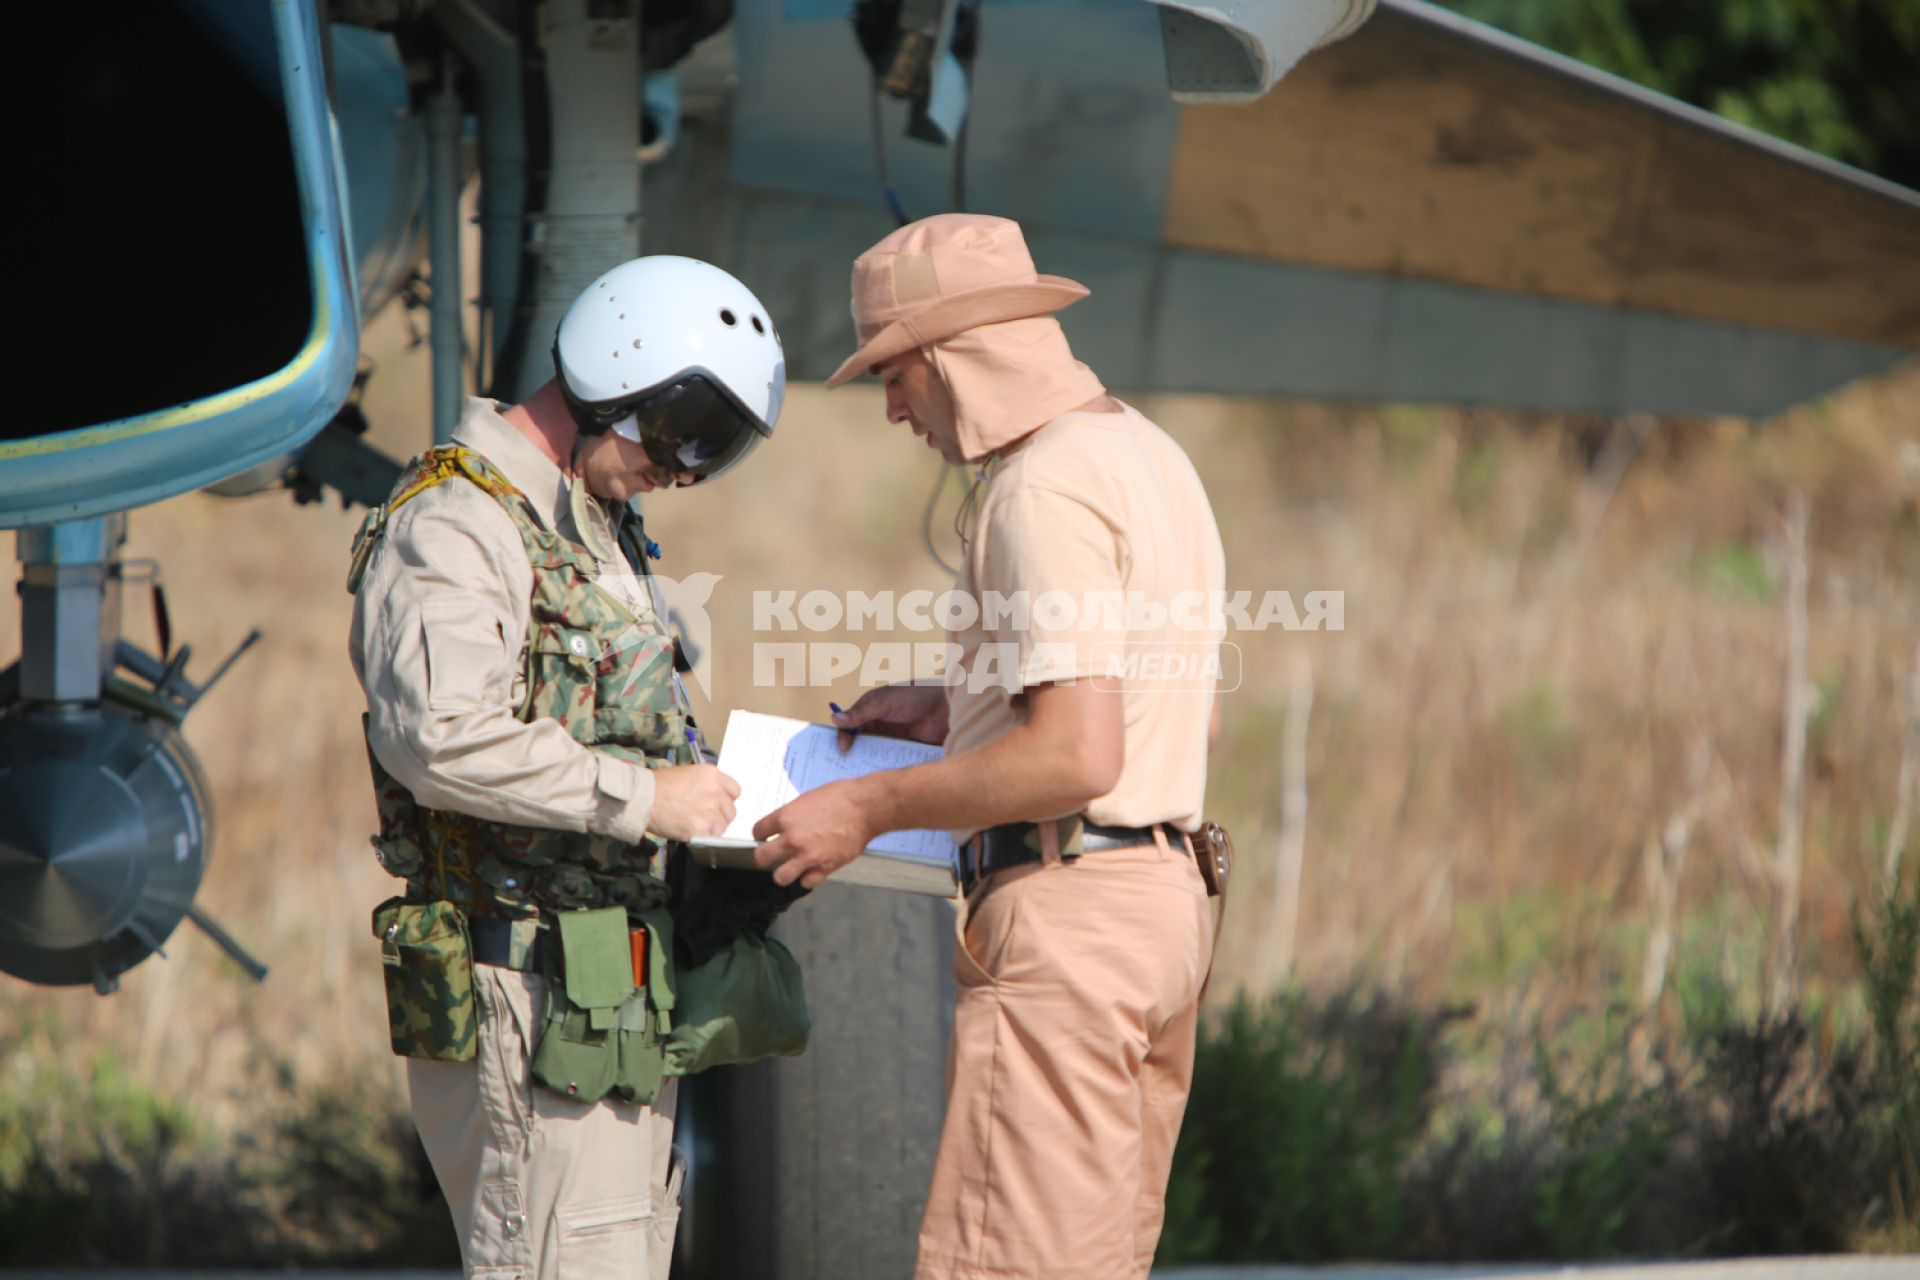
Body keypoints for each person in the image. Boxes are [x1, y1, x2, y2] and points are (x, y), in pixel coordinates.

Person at [751, 213, 1226, 1280]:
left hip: (1067, 917)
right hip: (1163, 910)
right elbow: (1159, 701)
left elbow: (1073, 757)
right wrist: (960, 702)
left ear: (948, 358)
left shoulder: (1040, 489)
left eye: (893, 372)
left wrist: (864, 808)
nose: (889, 406)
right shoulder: (1144, 452)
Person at [348, 255, 787, 1278]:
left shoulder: (592, 527)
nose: (682, 471)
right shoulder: (458, 521)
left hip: (609, 993)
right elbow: (438, 737)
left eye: (708, 453)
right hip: (525, 991)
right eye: (680, 436)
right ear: (613, 374)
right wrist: (646, 798)